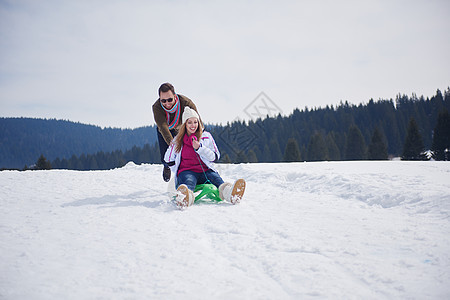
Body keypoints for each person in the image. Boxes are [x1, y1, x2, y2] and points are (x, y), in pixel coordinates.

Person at [165, 107, 246, 208]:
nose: (193, 125)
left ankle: (230, 194)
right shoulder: (178, 140)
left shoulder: (206, 136)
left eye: (195, 122)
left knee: (217, 180)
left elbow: (215, 156)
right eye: (189, 122)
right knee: (188, 182)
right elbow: (168, 159)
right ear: (184, 124)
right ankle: (185, 198)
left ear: (199, 123)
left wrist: (200, 148)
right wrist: (176, 171)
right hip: (187, 171)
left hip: (206, 171)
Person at [153, 83, 202, 182]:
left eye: (170, 99)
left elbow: (197, 121)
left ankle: (191, 171)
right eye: (163, 100)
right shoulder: (157, 107)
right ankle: (167, 166)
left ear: (175, 96)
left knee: (186, 152)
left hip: (182, 128)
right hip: (164, 130)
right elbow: (162, 126)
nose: (167, 103)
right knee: (165, 156)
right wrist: (171, 141)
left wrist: (200, 138)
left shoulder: (186, 103)